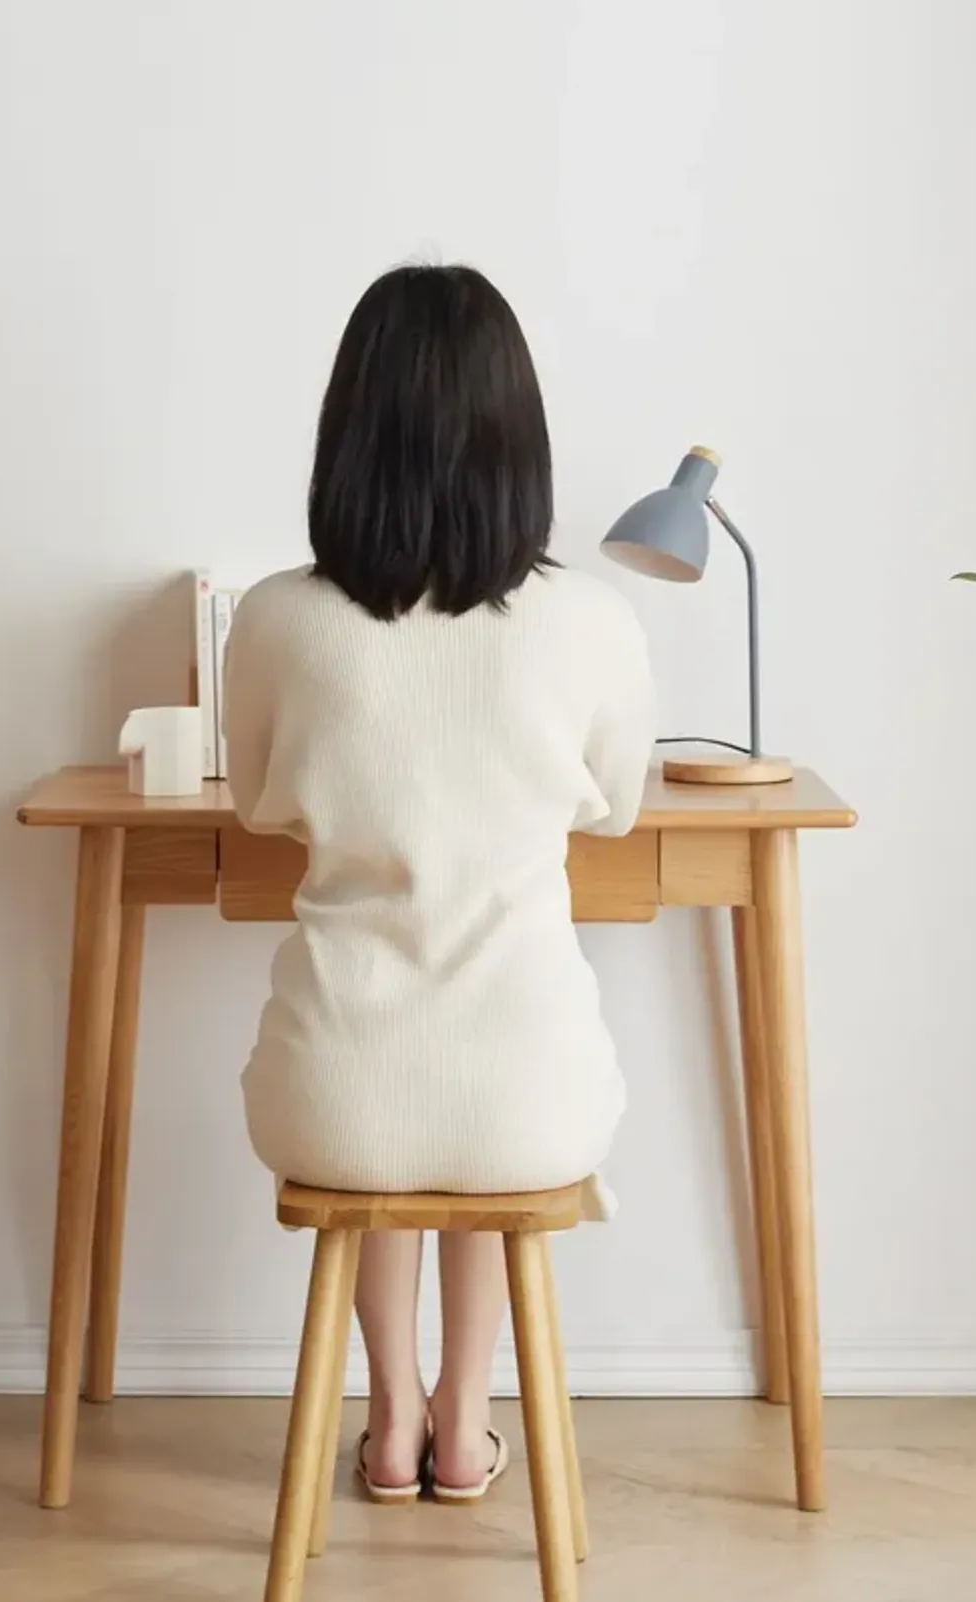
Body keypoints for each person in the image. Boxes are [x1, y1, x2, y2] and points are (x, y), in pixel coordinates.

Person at [224, 264, 655, 1501]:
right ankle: (465, 1422)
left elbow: (258, 803)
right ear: (518, 437)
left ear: (348, 430)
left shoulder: (276, 619)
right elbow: (618, 807)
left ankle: (392, 1411)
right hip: (535, 1095)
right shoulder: (593, 625)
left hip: (331, 1092)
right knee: (491, 1104)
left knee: (384, 1101)